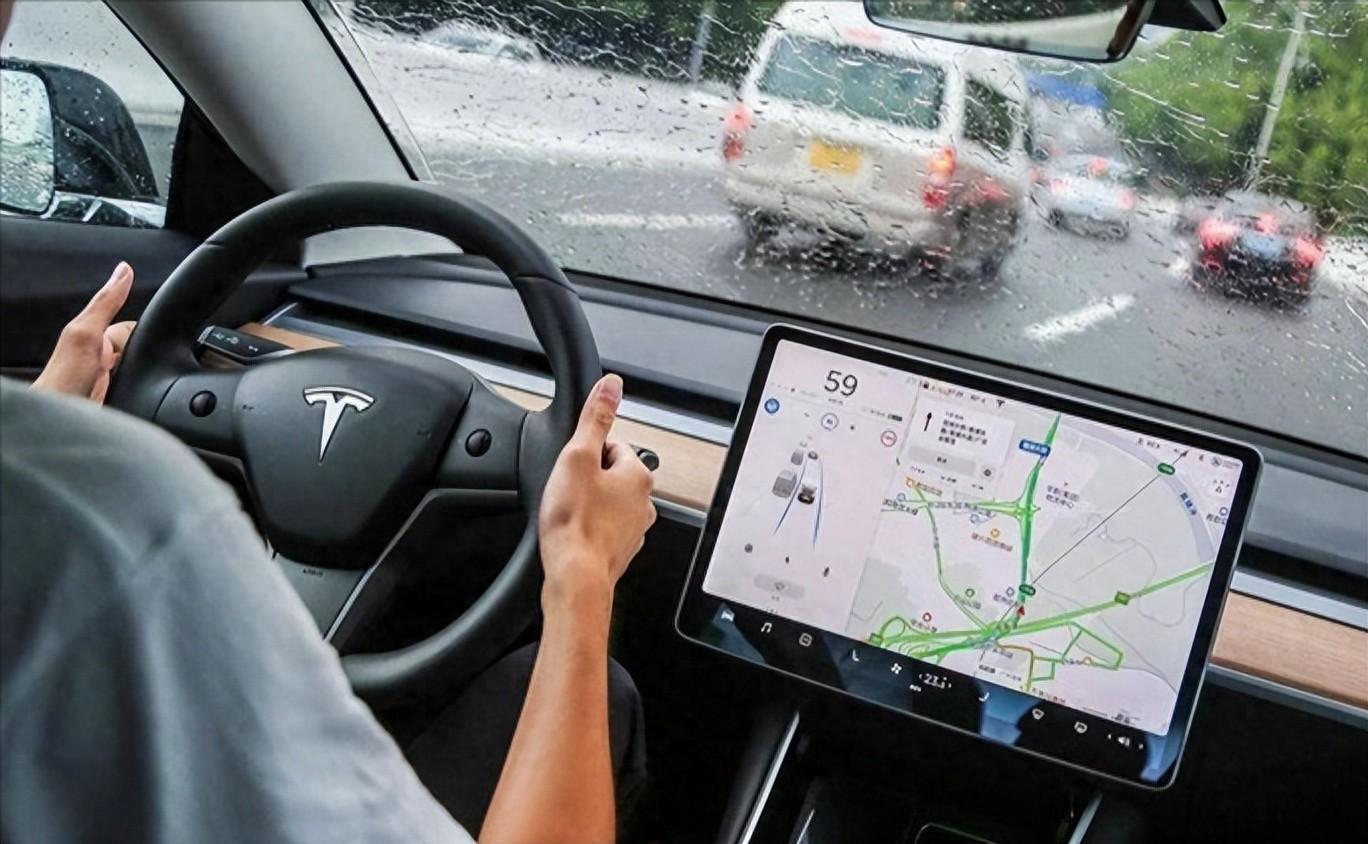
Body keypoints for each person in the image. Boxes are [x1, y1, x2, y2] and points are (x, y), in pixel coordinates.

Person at [1, 257, 657, 842]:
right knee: (597, 689)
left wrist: (42, 436)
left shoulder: (40, 491)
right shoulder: (131, 507)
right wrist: (582, 571)